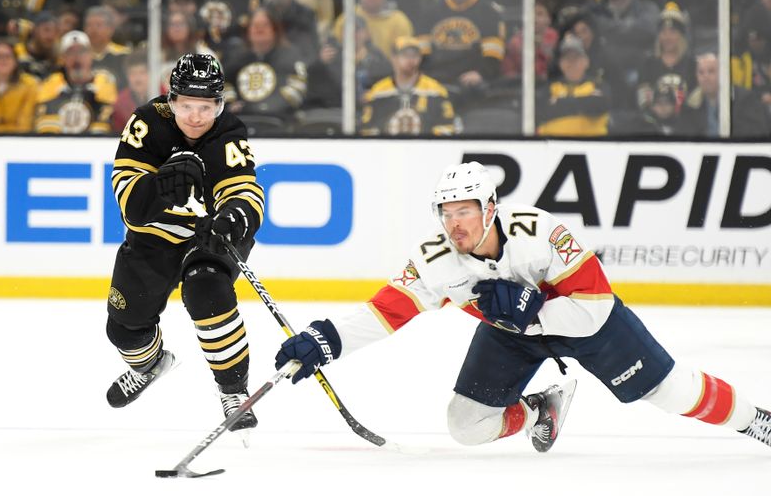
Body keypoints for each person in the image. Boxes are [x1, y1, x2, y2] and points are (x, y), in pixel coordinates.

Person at [275, 161, 771, 452]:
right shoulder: (435, 258)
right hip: (509, 334)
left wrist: (534, 312)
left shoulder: (539, 233)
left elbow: (595, 307)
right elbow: (385, 311)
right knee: (466, 426)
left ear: (490, 208)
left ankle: (755, 420)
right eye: (446, 213)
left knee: (670, 392)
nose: (455, 224)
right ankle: (541, 410)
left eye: (465, 211)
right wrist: (327, 340)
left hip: (583, 321)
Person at [106, 53, 265, 435]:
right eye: (187, 106)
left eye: (206, 107)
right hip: (153, 239)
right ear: (171, 101)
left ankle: (233, 390)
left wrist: (232, 218)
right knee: (125, 328)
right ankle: (151, 365)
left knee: (206, 290)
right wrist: (162, 184)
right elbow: (131, 207)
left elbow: (245, 192)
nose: (196, 116)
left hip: (206, 236)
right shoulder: (146, 123)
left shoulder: (228, 131)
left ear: (219, 105)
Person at [359, 36, 456, 136]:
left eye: (415, 55)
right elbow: (367, 129)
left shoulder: (436, 91)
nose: (411, 60)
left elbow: (447, 128)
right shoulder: (377, 92)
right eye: (405, 55)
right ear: (393, 58)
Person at [33, 30, 117, 134]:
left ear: (91, 55)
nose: (76, 56)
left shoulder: (105, 82)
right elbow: (45, 128)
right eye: (70, 52)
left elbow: (104, 127)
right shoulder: (50, 83)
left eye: (82, 51)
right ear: (63, 58)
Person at [537, 34, 610, 136]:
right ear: (561, 64)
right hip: (553, 147)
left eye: (576, 58)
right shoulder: (550, 87)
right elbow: (542, 111)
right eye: (567, 59)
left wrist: (559, 102)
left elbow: (597, 106)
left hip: (592, 147)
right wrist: (583, 101)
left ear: (586, 62)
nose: (571, 63)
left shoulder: (598, 85)